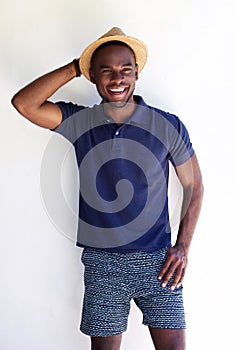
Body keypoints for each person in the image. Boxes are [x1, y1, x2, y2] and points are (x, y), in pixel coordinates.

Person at [12, 27, 204, 350]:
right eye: (106, 70)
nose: (117, 79)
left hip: (160, 262)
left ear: (137, 73)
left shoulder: (166, 125)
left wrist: (183, 247)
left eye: (125, 70)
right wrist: (76, 66)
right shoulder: (80, 122)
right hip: (104, 266)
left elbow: (194, 185)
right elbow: (24, 104)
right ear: (93, 76)